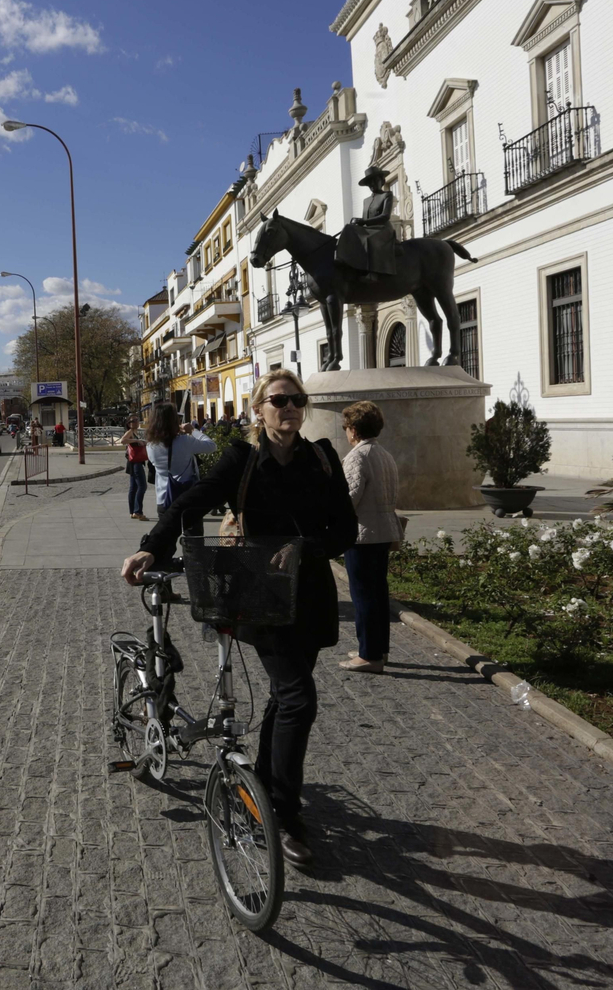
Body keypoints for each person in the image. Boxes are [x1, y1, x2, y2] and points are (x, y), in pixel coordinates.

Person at [121, 369, 357, 867]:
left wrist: (303, 549)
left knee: (283, 698)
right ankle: (286, 817)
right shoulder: (242, 460)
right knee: (297, 697)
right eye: (278, 401)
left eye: (296, 400)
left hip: (309, 594)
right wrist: (151, 548)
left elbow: (346, 530)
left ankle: (267, 792)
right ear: (259, 409)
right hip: (261, 596)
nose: (289, 408)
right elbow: (190, 501)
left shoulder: (322, 458)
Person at [339, 401, 401, 674]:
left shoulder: (357, 456)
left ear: (353, 429)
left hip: (363, 535)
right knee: (377, 595)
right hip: (383, 530)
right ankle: (378, 648)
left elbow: (349, 498)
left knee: (363, 595)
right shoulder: (384, 454)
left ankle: (369, 655)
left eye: (346, 428)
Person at [145, 404, 218, 538]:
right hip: (188, 498)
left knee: (164, 543)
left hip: (164, 499)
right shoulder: (185, 441)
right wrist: (193, 431)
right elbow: (212, 446)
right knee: (193, 540)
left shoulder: (150, 445)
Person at [335, 165, 400, 284]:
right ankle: (342, 259)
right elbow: (365, 219)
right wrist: (358, 222)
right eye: (370, 182)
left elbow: (385, 216)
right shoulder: (366, 201)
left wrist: (363, 222)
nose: (372, 185)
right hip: (370, 229)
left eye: (375, 181)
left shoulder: (387, 195)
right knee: (349, 229)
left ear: (382, 180)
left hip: (383, 229)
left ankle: (373, 273)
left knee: (369, 239)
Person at [117, 417, 149, 521]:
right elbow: (123, 441)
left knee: (133, 488)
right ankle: (138, 511)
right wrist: (136, 440)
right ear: (129, 423)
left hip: (134, 462)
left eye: (136, 420)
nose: (136, 422)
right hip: (135, 463)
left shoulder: (135, 432)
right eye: (133, 421)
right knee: (142, 486)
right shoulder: (130, 432)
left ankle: (133, 512)